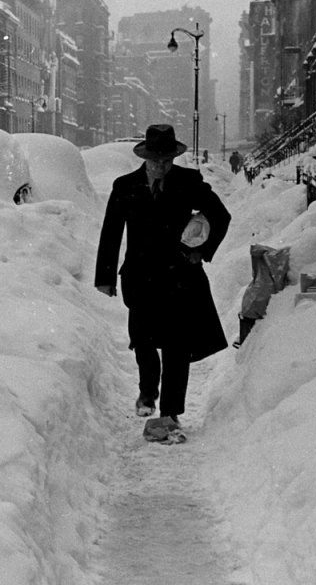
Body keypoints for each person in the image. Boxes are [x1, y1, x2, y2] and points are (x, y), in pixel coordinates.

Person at [95, 124, 231, 444]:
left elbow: (221, 216)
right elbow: (112, 231)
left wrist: (201, 251)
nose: (162, 167)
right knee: (142, 340)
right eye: (156, 161)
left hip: (179, 278)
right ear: (145, 158)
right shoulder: (125, 186)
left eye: (167, 160)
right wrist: (105, 277)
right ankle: (147, 390)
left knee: (176, 346)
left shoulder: (188, 182)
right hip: (140, 278)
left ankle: (170, 413)